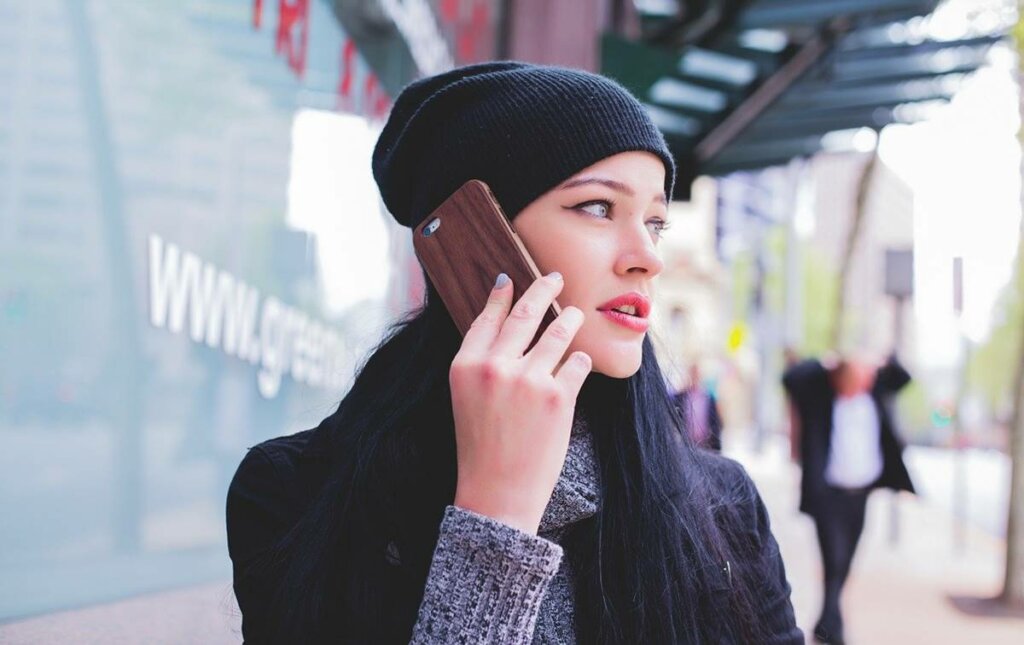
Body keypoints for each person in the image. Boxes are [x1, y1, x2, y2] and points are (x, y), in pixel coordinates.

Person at [226, 61, 802, 644]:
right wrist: (494, 521)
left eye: (656, 222)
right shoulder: (295, 493)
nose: (648, 257)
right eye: (599, 207)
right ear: (476, 236)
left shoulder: (721, 506)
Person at [782, 351, 916, 644]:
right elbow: (790, 378)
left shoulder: (876, 391)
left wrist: (881, 359)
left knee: (844, 563)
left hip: (861, 494)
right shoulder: (820, 395)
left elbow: (905, 376)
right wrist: (825, 361)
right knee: (834, 557)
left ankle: (826, 623)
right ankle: (833, 630)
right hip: (828, 495)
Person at [671, 362, 723, 451]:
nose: (695, 376)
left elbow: (716, 422)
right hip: (686, 444)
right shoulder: (681, 397)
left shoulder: (708, 398)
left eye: (697, 374)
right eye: (693, 373)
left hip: (706, 444)